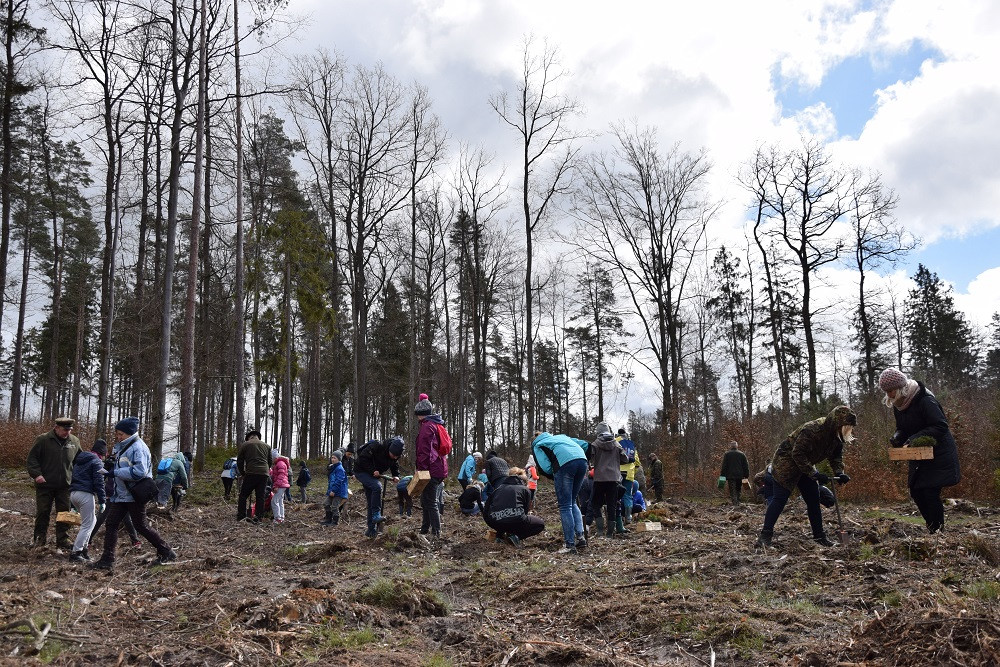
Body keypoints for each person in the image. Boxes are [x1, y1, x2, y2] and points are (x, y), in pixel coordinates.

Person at [754, 406, 856, 549]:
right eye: (845, 427)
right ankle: (764, 537)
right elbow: (797, 453)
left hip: (806, 465)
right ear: (836, 423)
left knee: (813, 499)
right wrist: (814, 474)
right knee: (780, 499)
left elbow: (836, 457)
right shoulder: (812, 430)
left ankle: (820, 536)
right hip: (786, 462)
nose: (846, 431)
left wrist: (839, 472)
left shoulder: (837, 437)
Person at [879, 368, 961, 534]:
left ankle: (937, 531)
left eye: (891, 390)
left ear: (900, 387)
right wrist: (898, 437)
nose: (889, 395)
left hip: (939, 453)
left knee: (930, 492)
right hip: (918, 454)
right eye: (886, 391)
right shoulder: (899, 404)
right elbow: (902, 427)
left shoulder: (925, 400)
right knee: (916, 492)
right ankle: (932, 527)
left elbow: (940, 426)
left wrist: (915, 438)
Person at [90, 417, 176, 569]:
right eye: (117, 433)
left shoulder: (138, 447)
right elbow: (125, 465)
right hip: (122, 495)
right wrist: (111, 465)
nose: (118, 436)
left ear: (130, 433)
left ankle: (166, 551)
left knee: (140, 525)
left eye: (121, 433)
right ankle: (107, 560)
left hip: (134, 495)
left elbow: (139, 471)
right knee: (111, 524)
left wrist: (115, 472)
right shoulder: (125, 446)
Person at [26, 416, 81, 550]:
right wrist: (37, 474)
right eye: (64, 430)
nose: (67, 433)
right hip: (45, 485)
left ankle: (63, 539)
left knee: (64, 513)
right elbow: (32, 459)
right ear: (56, 428)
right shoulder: (43, 439)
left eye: (69, 430)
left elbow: (79, 461)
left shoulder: (74, 441)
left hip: (65, 485)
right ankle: (39, 539)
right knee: (43, 512)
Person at [532, 431, 589, 554]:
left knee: (565, 506)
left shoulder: (537, 445)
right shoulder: (561, 437)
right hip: (582, 461)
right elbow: (583, 444)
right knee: (572, 502)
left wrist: (555, 475)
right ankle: (581, 538)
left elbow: (545, 466)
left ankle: (569, 545)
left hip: (565, 465)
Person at [90, 439, 140, 551]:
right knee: (101, 518)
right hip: (111, 494)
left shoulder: (125, 461)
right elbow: (101, 476)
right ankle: (88, 540)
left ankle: (135, 540)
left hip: (122, 495)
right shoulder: (110, 462)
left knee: (126, 519)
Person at [414, 393, 449, 538]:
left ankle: (436, 532)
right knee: (426, 501)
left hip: (431, 470)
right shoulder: (437, 425)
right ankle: (424, 529)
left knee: (431, 502)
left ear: (421, 414)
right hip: (439, 468)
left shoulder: (427, 427)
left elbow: (423, 451)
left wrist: (421, 471)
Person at [354, 437, 403, 538]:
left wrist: (396, 475)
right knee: (377, 487)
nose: (394, 457)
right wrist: (372, 470)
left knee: (372, 500)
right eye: (393, 455)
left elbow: (394, 464)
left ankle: (371, 530)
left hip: (372, 475)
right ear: (390, 449)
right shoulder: (377, 446)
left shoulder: (395, 456)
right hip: (361, 471)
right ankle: (376, 514)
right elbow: (362, 458)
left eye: (396, 456)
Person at [484, 467, 545, 546]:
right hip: (516, 520)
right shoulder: (525, 489)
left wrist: (491, 522)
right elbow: (525, 511)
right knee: (540, 524)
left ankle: (500, 535)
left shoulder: (497, 489)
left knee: (503, 519)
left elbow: (486, 509)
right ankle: (516, 536)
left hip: (495, 521)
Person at [68, 440, 107, 562]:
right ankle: (76, 552)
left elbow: (74, 478)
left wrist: (72, 505)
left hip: (73, 494)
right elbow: (99, 482)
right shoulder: (97, 461)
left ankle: (84, 550)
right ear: (102, 452)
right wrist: (102, 500)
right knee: (86, 524)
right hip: (85, 494)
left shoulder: (79, 460)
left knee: (93, 521)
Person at [590, 423, 628, 538]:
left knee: (595, 504)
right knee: (612, 505)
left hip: (599, 478)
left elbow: (590, 458)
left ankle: (600, 531)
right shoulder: (616, 444)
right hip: (614, 478)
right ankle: (610, 533)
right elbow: (625, 459)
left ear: (598, 431)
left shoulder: (595, 444)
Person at [237, 429, 272, 522]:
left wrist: (242, 473)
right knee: (260, 496)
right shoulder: (267, 446)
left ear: (249, 437)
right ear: (258, 437)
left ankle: (241, 515)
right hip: (264, 474)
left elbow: (239, 460)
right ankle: (259, 517)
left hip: (251, 473)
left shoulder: (246, 444)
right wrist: (266, 470)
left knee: (243, 495)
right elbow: (270, 461)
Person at [616, 428, 638, 523]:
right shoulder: (631, 444)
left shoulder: (615, 442)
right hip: (629, 473)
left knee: (616, 495)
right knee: (628, 495)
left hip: (617, 472)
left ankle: (618, 518)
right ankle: (628, 517)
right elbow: (637, 461)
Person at [321, 450, 348, 526]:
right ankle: (328, 519)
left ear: (339, 459)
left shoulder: (340, 469)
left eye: (334, 458)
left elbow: (338, 481)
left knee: (334, 507)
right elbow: (331, 480)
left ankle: (335, 522)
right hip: (332, 490)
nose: (332, 459)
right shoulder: (333, 467)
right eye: (332, 458)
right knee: (326, 504)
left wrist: (333, 491)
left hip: (338, 492)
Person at [720, 441, 750, 506]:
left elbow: (724, 466)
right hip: (740, 476)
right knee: (738, 489)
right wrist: (746, 475)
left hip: (730, 476)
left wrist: (722, 475)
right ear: (737, 446)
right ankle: (738, 502)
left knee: (732, 490)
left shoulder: (727, 454)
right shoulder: (742, 454)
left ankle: (735, 503)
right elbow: (746, 466)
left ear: (730, 446)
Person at [269, 449, 291, 523]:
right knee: (280, 501)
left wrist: (276, 486)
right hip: (282, 485)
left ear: (274, 458)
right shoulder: (279, 463)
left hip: (281, 485)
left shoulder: (280, 463)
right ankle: (281, 517)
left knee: (274, 501)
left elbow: (281, 475)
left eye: (272, 458)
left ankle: (277, 518)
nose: (271, 460)